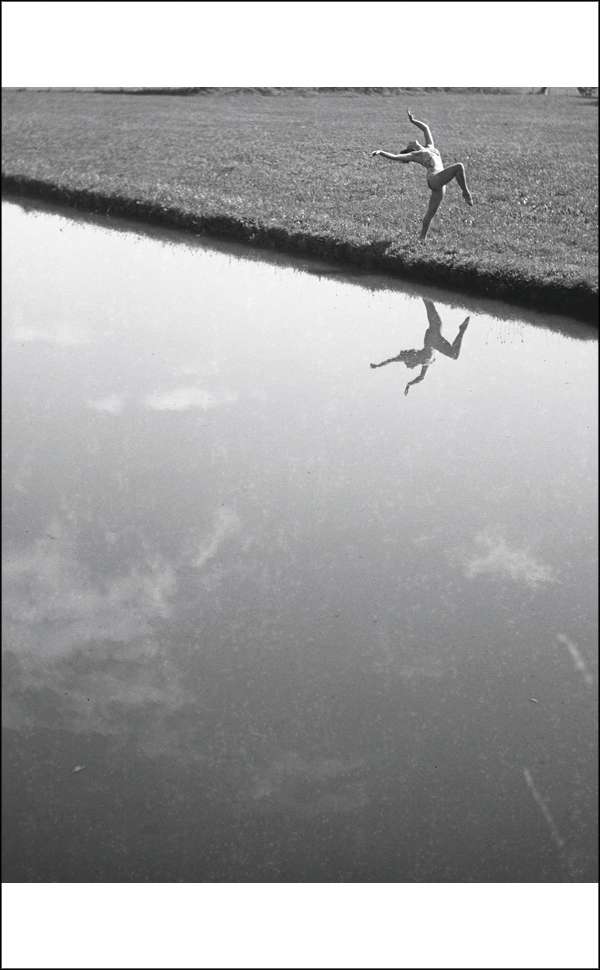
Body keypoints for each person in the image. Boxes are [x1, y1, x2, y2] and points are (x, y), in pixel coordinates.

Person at [371, 108, 473, 240]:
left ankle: (421, 238)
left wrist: (413, 120)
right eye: (408, 144)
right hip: (434, 179)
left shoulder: (430, 147)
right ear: (411, 148)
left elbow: (426, 129)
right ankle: (465, 193)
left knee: (432, 211)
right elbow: (395, 157)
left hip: (440, 181)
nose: (410, 142)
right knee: (459, 166)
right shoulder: (416, 155)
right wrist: (380, 152)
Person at [370, 299, 470, 396]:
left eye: (409, 364)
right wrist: (409, 384)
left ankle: (461, 329)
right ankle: (461, 329)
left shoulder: (418, 360)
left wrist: (378, 365)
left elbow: (392, 360)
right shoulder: (424, 362)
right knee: (430, 307)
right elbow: (421, 377)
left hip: (433, 340)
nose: (411, 365)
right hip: (434, 339)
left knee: (453, 354)